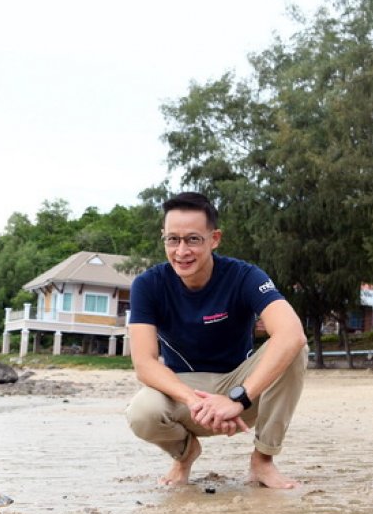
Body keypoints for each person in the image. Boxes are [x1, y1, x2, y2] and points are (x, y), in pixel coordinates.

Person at [125, 192, 308, 489]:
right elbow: (144, 364)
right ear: (164, 239)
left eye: (193, 239)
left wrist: (237, 398)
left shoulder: (244, 276)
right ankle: (185, 455)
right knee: (141, 413)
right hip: (185, 394)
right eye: (173, 239)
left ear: (215, 239)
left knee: (296, 348)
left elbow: (292, 332)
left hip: (240, 391)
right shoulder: (148, 285)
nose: (181, 251)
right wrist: (192, 400)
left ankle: (262, 461)